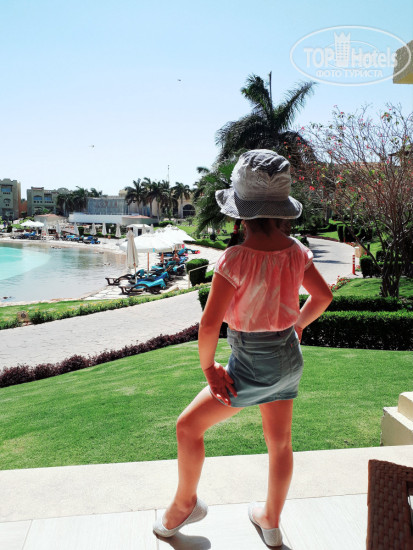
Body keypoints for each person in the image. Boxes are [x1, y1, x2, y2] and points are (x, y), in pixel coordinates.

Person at [153, 149, 333, 546]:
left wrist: (209, 368)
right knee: (280, 442)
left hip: (250, 366)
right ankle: (271, 521)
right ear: (282, 211)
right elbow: (322, 297)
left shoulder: (234, 259)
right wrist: (298, 325)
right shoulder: (297, 251)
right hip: (289, 362)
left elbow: (209, 324)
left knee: (187, 428)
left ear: (240, 213)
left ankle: (184, 505)